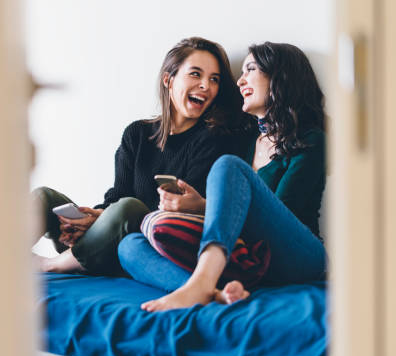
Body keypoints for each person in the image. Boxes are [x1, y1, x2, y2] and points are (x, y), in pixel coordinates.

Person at [118, 42, 327, 310]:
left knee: (227, 166)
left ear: (280, 77)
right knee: (129, 246)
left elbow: (282, 213)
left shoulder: (311, 140)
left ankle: (201, 283)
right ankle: (212, 292)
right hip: (245, 257)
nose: (240, 81)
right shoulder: (244, 139)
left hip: (297, 256)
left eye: (250, 69)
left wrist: (203, 205)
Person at [32, 37, 250, 276]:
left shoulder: (212, 139)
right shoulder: (137, 133)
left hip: (139, 246)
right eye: (196, 74)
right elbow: (118, 194)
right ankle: (0, 256)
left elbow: (174, 213)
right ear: (168, 79)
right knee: (44, 197)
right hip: (105, 237)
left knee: (130, 208)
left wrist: (111, 216)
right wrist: (92, 218)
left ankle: (51, 265)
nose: (206, 86)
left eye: (214, 79)